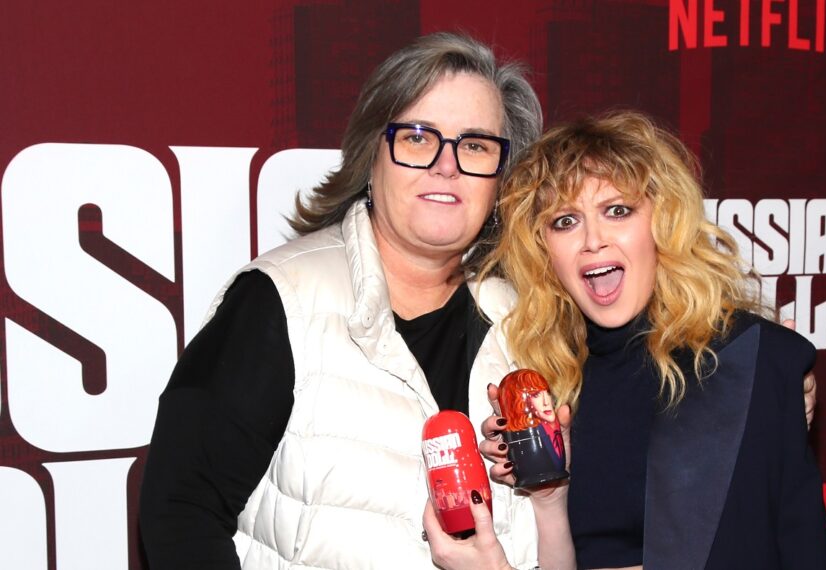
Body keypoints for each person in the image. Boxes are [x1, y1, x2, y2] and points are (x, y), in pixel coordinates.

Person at [139, 32, 548, 570]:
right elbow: (179, 514)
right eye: (419, 137)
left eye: (475, 145)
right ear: (371, 156)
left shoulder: (533, 318)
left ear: (501, 177)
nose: (447, 165)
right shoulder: (280, 300)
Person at [471, 111, 826, 569]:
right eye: (564, 221)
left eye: (617, 210)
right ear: (543, 249)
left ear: (661, 222)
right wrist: (548, 494)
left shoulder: (755, 360)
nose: (593, 241)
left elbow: (803, 549)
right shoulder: (541, 385)